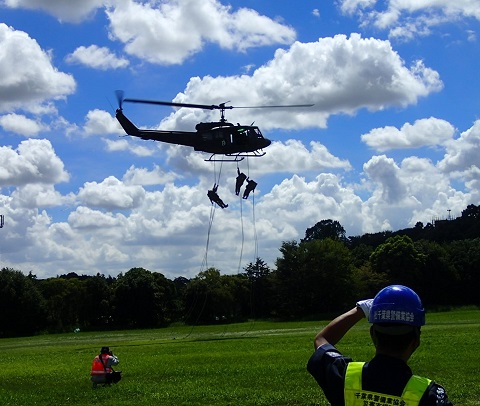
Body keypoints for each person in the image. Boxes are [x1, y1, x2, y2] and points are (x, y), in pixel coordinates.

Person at [307, 285, 453, 406]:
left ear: (373, 335)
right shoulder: (429, 394)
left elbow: (322, 339)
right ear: (416, 341)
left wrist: (360, 310)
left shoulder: (343, 376)